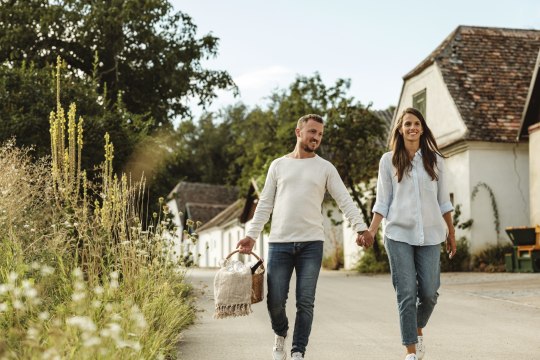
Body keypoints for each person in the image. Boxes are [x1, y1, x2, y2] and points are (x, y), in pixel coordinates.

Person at [237, 114, 373, 360]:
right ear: (298, 132)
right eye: (312, 132)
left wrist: (361, 227)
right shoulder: (278, 165)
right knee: (275, 301)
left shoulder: (325, 168)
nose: (316, 138)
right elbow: (265, 203)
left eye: (320, 134)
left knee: (305, 301)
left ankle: (298, 350)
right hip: (279, 243)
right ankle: (281, 334)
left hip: (312, 243)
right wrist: (251, 235)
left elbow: (344, 200)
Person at [360, 107, 457, 360]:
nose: (412, 128)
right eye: (407, 124)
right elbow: (382, 202)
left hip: (431, 234)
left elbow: (444, 201)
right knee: (405, 293)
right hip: (398, 234)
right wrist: (371, 231)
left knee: (429, 293)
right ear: (400, 130)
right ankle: (411, 351)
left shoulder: (436, 161)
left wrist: (451, 233)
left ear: (422, 128)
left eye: (416, 123)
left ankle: (415, 327)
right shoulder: (388, 160)